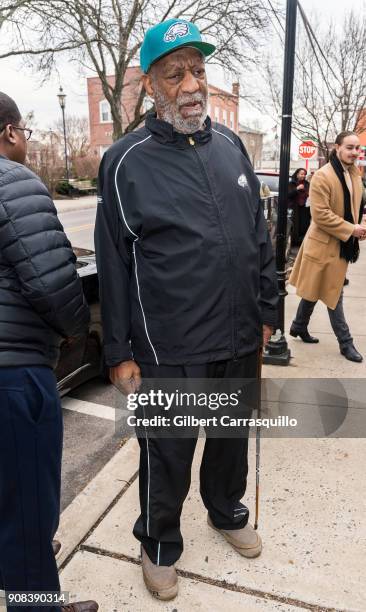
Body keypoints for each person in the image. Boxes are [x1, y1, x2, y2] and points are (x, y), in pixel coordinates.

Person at [95, 19, 278, 601]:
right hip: (168, 345)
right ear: (151, 86)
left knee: (229, 440)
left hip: (240, 335)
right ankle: (158, 542)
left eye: (198, 70)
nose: (191, 84)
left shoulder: (230, 148)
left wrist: (267, 308)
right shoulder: (126, 161)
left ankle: (226, 512)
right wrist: (118, 352)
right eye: (175, 74)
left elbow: (259, 234)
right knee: (166, 454)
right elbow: (114, 263)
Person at [0, 93, 98, 612]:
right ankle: (35, 602)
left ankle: (20, 561)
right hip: (13, 373)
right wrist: (74, 333)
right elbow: (53, 281)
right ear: (11, 133)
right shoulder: (15, 182)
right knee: (30, 501)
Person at [289, 131, 366, 362]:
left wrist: (358, 225)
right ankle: (346, 343)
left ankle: (298, 325)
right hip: (323, 246)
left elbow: (354, 206)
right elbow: (320, 215)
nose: (354, 152)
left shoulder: (354, 174)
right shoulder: (323, 176)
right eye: (350, 147)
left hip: (341, 243)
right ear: (337, 147)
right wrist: (351, 229)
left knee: (316, 289)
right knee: (334, 293)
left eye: (357, 148)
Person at [288, 167, 311, 245]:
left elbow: (310, 192)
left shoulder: (307, 184)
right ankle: (294, 241)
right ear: (297, 174)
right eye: (301, 174)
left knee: (304, 225)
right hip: (295, 207)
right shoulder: (292, 183)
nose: (303, 176)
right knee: (295, 225)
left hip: (305, 208)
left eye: (304, 174)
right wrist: (297, 189)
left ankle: (302, 241)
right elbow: (288, 194)